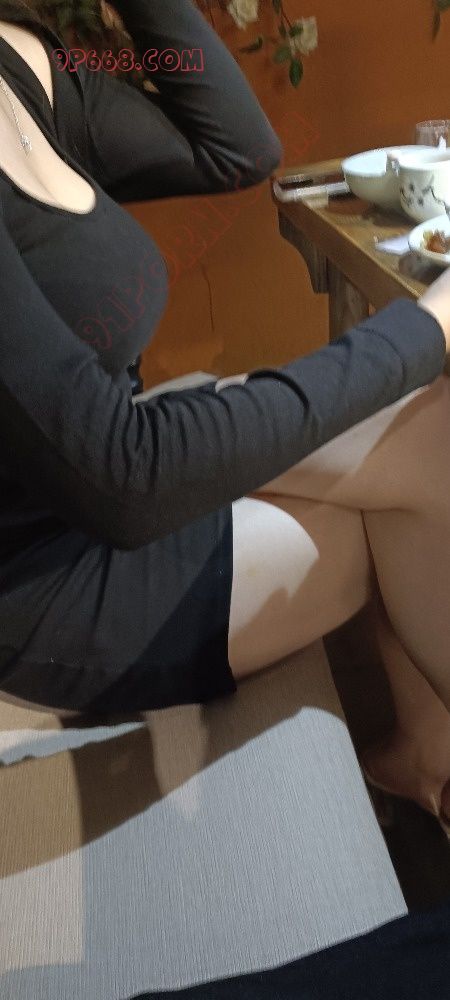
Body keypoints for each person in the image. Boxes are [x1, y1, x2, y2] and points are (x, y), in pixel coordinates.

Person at [0, 0, 449, 835]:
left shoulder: (24, 62)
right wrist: (427, 329)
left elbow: (236, 147)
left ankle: (424, 756)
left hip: (113, 450)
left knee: (433, 429)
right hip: (44, 570)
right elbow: (124, 481)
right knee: (402, 507)